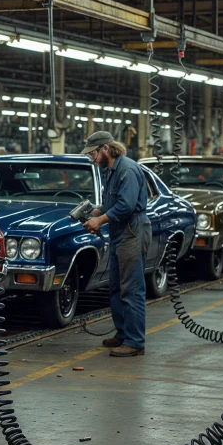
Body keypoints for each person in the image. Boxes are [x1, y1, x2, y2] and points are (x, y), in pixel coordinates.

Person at [79, 131, 147, 357]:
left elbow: (126, 206)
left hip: (131, 229)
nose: (92, 158)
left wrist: (100, 219)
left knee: (131, 288)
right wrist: (96, 212)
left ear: (105, 149)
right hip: (121, 230)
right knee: (116, 287)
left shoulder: (126, 169)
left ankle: (135, 341)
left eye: (93, 153)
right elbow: (113, 203)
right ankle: (123, 334)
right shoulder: (109, 171)